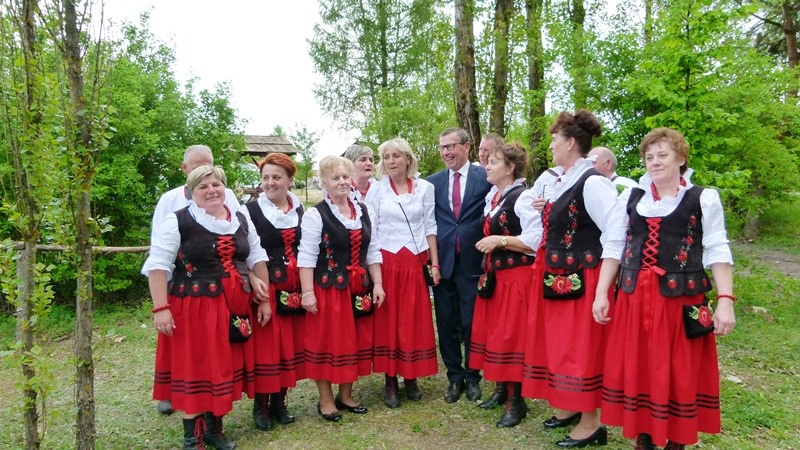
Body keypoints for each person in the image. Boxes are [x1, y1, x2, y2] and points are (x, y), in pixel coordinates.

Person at [592, 128, 736, 450]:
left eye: (662, 155)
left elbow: (717, 249)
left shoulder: (702, 198)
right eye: (649, 157)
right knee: (640, 366)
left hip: (680, 300)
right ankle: (644, 438)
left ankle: (676, 442)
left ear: (680, 158)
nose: (654, 162)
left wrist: (725, 300)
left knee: (679, 371)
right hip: (634, 299)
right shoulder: (632, 199)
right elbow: (613, 247)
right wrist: (602, 293)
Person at [143, 165, 271, 450]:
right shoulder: (178, 221)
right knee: (196, 368)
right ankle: (194, 440)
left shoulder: (239, 218)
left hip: (233, 306)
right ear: (191, 192)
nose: (211, 191)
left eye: (216, 185)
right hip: (194, 307)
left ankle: (214, 429)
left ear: (224, 188)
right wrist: (161, 308)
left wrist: (264, 299)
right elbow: (158, 266)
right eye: (203, 187)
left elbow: (256, 257)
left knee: (221, 367)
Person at [520, 110, 617, 448]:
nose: (551, 146)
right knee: (561, 346)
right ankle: (571, 405)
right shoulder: (565, 180)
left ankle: (592, 423)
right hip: (559, 277)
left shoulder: (592, 182)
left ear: (571, 143)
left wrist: (603, 287)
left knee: (581, 348)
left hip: (582, 278)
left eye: (554, 140)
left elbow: (615, 233)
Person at [150, 145, 240, 416]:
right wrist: (161, 306)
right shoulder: (170, 202)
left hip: (223, 290)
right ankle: (176, 395)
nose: (210, 187)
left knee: (215, 355)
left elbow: (241, 237)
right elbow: (159, 258)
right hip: (186, 288)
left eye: (209, 166)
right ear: (185, 170)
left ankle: (213, 423)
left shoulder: (228, 197)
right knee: (188, 352)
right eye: (198, 170)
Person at [297, 155, 385, 422]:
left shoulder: (364, 210)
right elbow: (306, 257)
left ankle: (345, 395)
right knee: (326, 342)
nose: (342, 182)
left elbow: (373, 250)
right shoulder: (316, 214)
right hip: (329, 289)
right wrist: (307, 292)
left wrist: (378, 284)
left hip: (359, 287)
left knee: (355, 341)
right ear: (324, 182)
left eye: (346, 176)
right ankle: (325, 399)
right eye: (335, 178)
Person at [365, 138, 439, 408]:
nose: (391, 161)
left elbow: (430, 226)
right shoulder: (376, 190)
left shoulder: (425, 188)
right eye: (386, 157)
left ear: (408, 158)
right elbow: (371, 230)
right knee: (389, 320)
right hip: (387, 260)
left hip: (415, 261)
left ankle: (411, 375)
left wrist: (435, 263)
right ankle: (390, 379)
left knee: (412, 319)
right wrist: (375, 272)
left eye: (396, 156)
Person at [469, 142, 538, 428]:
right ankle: (501, 389)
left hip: (517, 278)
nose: (487, 166)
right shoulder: (496, 197)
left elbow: (537, 240)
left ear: (510, 168)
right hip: (497, 277)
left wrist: (502, 240)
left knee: (513, 337)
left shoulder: (523, 197)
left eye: (494, 162)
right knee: (497, 335)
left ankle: (516, 400)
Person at [427, 127, 492, 403]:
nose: (446, 152)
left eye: (451, 146)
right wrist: (432, 262)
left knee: (471, 323)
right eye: (442, 147)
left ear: (466, 146)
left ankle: (473, 376)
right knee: (446, 321)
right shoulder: (432, 183)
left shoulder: (485, 177)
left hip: (473, 261)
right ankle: (454, 377)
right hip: (443, 263)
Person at [242, 153, 306, 431]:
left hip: (294, 285)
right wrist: (253, 281)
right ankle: (261, 405)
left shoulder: (300, 208)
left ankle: (280, 401)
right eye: (266, 177)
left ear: (290, 180)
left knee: (288, 344)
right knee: (266, 346)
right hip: (265, 284)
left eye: (277, 177)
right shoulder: (249, 211)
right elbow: (242, 252)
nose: (270, 182)